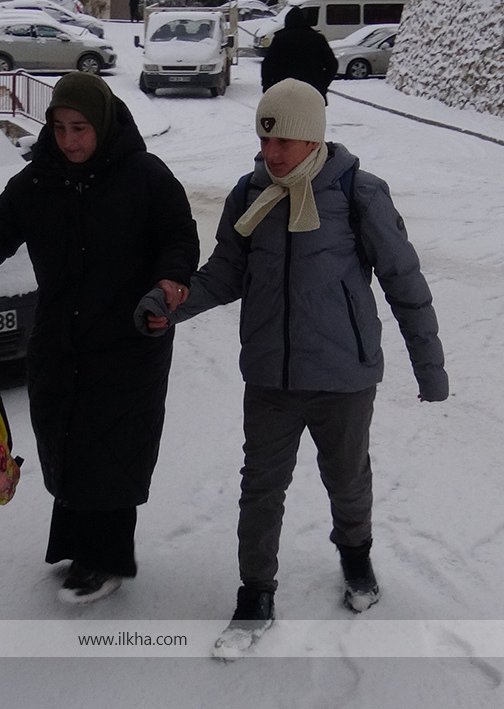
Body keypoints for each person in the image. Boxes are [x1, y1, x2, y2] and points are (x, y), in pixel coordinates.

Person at [139, 78, 447, 652]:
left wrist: (429, 368)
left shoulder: (359, 193)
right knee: (260, 486)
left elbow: (405, 282)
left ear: (314, 139)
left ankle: (357, 559)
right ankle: (255, 591)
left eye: (285, 142)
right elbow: (225, 273)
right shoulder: (248, 194)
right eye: (265, 139)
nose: (272, 154)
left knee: (348, 479)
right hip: (270, 376)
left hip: (343, 377)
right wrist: (172, 307)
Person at [0, 72, 198, 605]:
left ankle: (103, 560)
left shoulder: (144, 176)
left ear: (102, 123)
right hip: (60, 337)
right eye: (58, 128)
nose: (69, 140)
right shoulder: (37, 181)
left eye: (80, 128)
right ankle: (76, 547)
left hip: (129, 338)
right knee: (68, 442)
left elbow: (179, 234)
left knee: (111, 449)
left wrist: (171, 279)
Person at [261, 7, 339, 100]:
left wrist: (268, 86)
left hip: (284, 91)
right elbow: (332, 64)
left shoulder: (280, 39)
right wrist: (323, 84)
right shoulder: (317, 39)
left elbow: (268, 65)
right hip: (312, 92)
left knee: (286, 114)